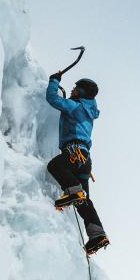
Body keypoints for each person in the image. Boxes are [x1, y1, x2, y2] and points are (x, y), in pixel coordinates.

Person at [45, 71, 109, 255]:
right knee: (84, 201)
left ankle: (73, 191)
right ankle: (97, 235)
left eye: (76, 88)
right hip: (84, 159)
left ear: (81, 92)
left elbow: (52, 99)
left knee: (55, 166)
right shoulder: (88, 111)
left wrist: (54, 81)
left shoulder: (74, 106)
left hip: (73, 152)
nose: (73, 89)